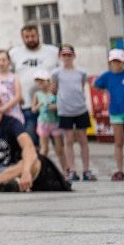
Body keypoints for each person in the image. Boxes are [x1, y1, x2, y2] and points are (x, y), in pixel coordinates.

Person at [93, 48, 124, 181]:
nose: (116, 65)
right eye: (113, 62)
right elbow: (95, 84)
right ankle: (120, 171)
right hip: (116, 113)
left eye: (119, 62)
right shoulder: (107, 76)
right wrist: (105, 91)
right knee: (118, 142)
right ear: (110, 63)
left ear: (123, 62)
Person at [49, 46, 95, 181]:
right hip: (64, 110)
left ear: (74, 56)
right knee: (68, 140)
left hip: (80, 109)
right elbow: (54, 89)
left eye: (69, 55)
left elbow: (81, 86)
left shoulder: (81, 72)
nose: (67, 58)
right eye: (64, 55)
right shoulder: (56, 73)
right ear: (60, 57)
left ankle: (86, 170)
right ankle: (72, 170)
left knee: (83, 140)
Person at [0, 50, 25, 127]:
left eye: (4, 60)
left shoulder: (14, 77)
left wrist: (5, 107)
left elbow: (18, 96)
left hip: (13, 113)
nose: (1, 63)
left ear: (9, 61)